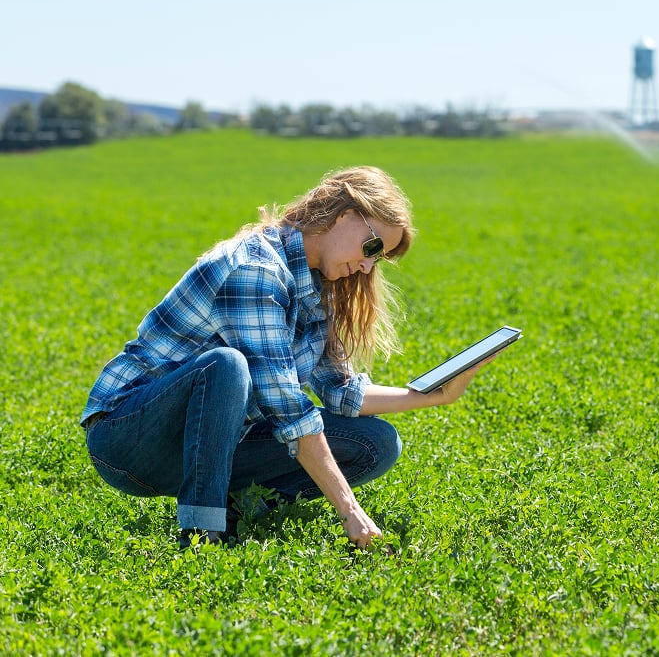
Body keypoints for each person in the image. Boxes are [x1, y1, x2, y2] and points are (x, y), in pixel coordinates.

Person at [81, 166, 490, 549]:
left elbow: (342, 393)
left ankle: (238, 508)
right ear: (343, 215)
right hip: (128, 436)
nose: (367, 265)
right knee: (226, 366)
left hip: (213, 442)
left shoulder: (316, 284)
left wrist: (433, 395)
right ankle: (202, 534)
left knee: (376, 442)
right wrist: (350, 510)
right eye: (371, 247)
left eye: (377, 258)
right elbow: (290, 411)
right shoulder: (255, 270)